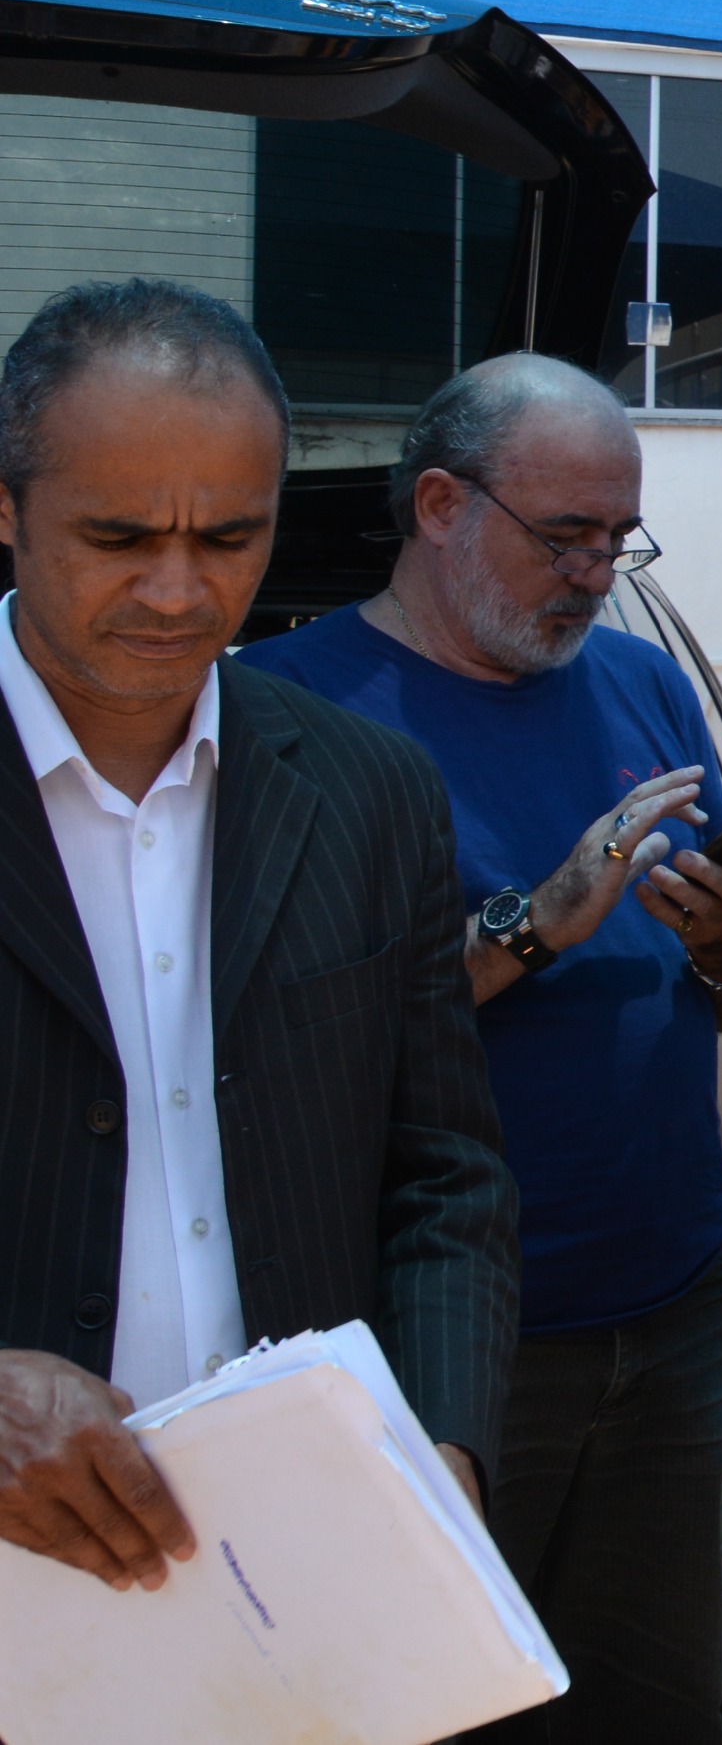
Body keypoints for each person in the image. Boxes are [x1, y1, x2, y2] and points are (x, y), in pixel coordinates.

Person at [244, 355, 722, 1743]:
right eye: (565, 537)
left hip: (676, 1307)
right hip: (442, 1355)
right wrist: (534, 924)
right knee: (441, 1703)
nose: (597, 574)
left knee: (663, 1703)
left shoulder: (641, 685)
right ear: (440, 504)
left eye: (620, 539)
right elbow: (278, 1044)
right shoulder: (281, 713)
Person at [0, 280, 514, 1592]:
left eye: (230, 537)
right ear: (6, 508)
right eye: (118, 537)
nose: (178, 591)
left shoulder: (371, 791)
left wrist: (444, 1443)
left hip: (302, 1564)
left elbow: (445, 1175)